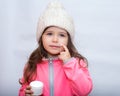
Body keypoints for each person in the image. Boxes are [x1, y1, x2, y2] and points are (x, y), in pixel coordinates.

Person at [19, 1, 93, 96]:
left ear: (68, 40)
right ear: (41, 37)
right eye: (49, 34)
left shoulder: (76, 63)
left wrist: (69, 63)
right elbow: (23, 90)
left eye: (62, 35)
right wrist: (26, 94)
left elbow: (84, 91)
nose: (55, 40)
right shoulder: (32, 64)